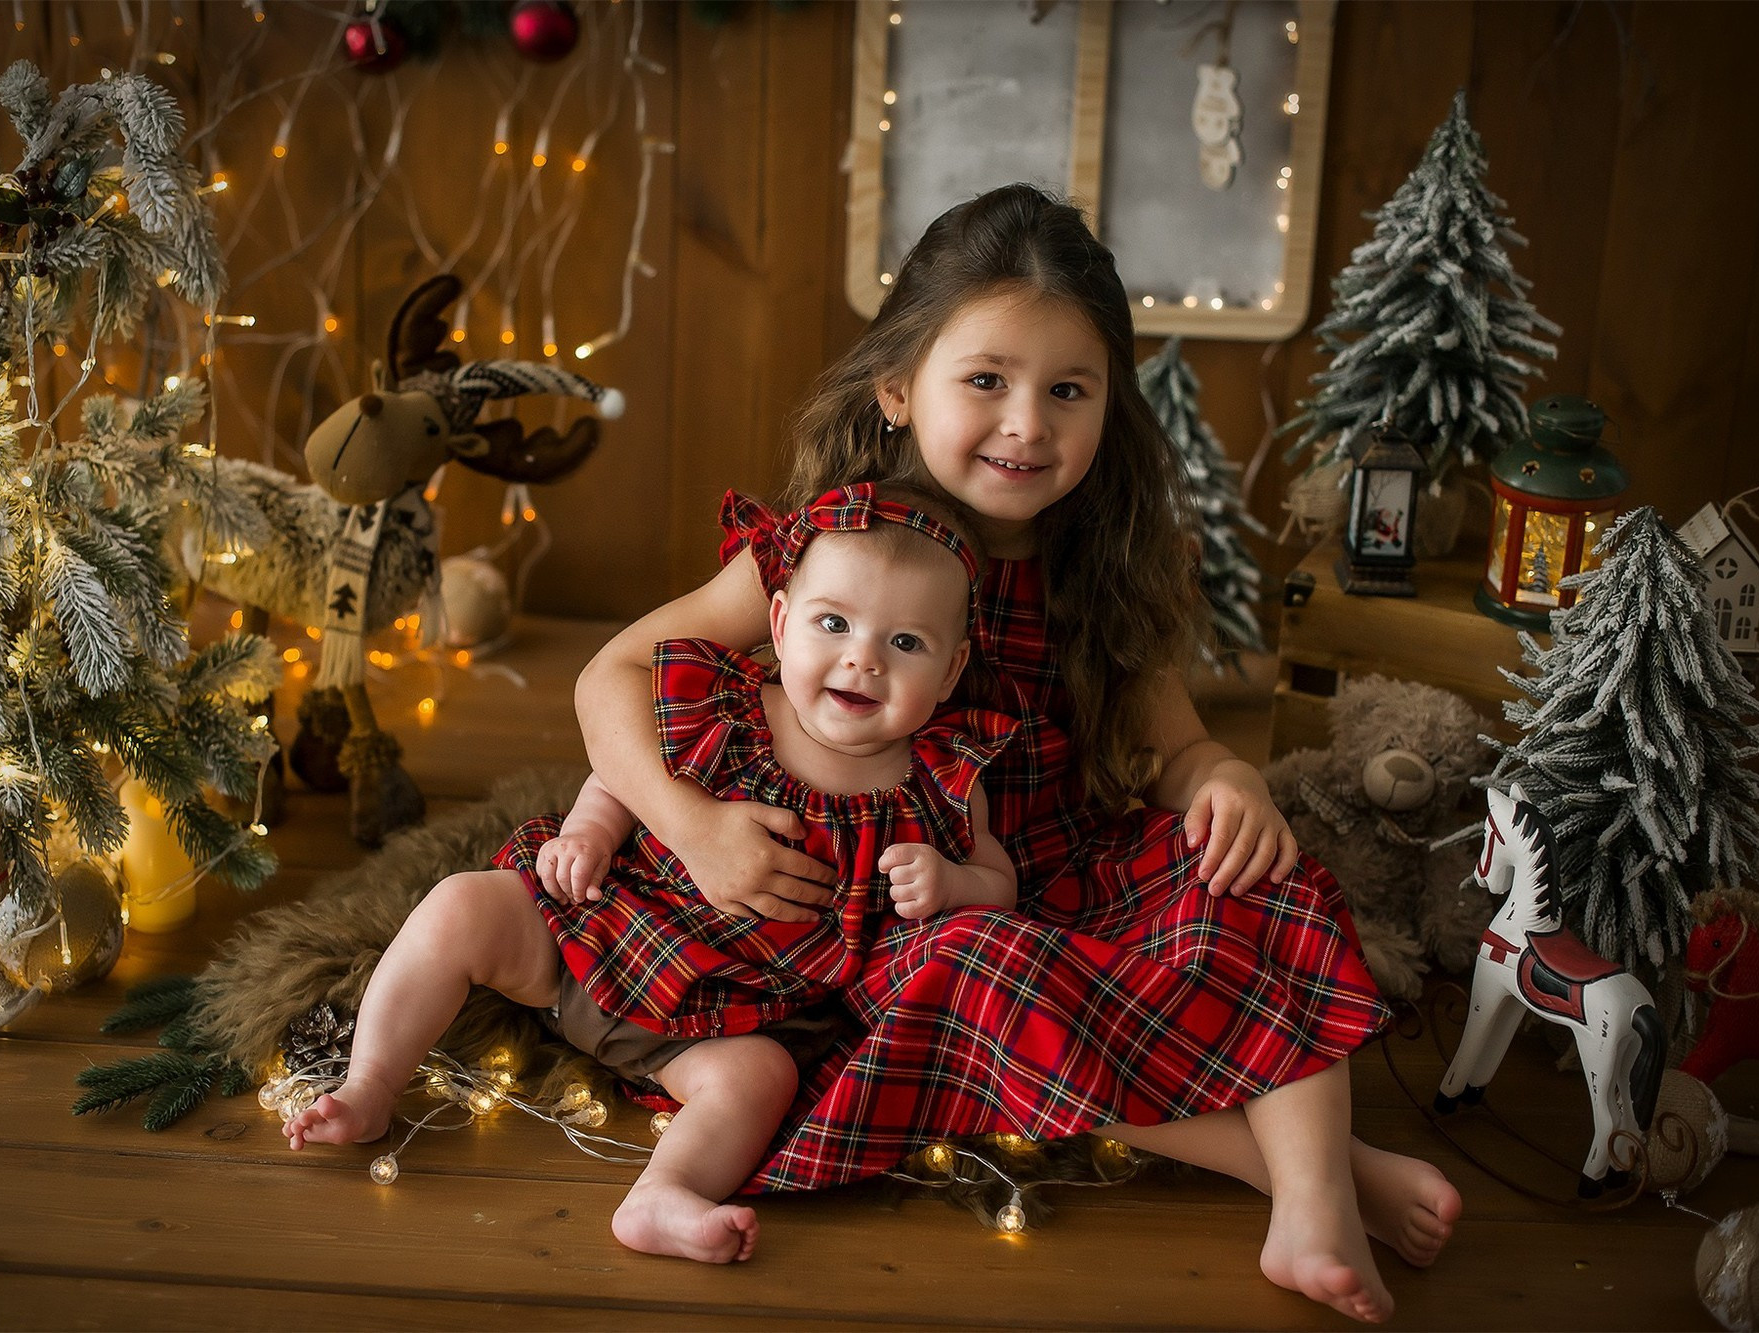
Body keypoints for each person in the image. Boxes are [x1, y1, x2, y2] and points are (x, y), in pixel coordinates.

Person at [569, 184, 1460, 1323]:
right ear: (897, 387)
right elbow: (614, 673)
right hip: (907, 911)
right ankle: (1307, 1169)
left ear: (1106, 410)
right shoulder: (830, 548)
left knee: (1258, 885)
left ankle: (1311, 1216)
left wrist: (1224, 778)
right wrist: (686, 825)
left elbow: (1176, 748)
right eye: (985, 380)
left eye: (1065, 391)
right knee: (994, 975)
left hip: (1059, 865)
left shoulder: (1093, 563)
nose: (1026, 424)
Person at [286, 482, 1019, 1267]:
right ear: (779, 623)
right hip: (596, 933)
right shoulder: (730, 705)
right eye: (832, 623)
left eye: (905, 643)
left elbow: (998, 878)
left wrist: (951, 882)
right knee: (461, 904)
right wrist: (587, 832)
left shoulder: (941, 778)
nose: (862, 658)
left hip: (721, 1021)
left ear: (951, 670)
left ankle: (663, 1193)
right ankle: (369, 1084)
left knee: (760, 1079)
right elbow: (621, 770)